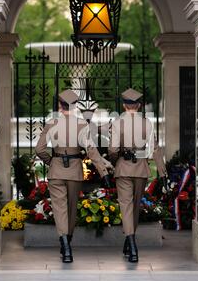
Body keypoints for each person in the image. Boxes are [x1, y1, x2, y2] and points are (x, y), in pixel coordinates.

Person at [35, 90, 111, 263]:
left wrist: (51, 162)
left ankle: (66, 247)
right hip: (75, 171)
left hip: (56, 171)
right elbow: (91, 150)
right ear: (75, 106)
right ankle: (67, 242)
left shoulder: (51, 123)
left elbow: (39, 150)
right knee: (71, 209)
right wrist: (103, 172)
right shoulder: (82, 125)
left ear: (59, 106)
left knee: (60, 209)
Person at [108, 88, 167, 263]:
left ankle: (131, 246)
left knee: (126, 206)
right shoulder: (146, 123)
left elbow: (112, 149)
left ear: (124, 105)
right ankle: (130, 244)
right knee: (134, 207)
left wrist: (114, 160)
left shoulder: (118, 123)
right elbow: (155, 149)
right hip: (141, 169)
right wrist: (162, 171)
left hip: (124, 169)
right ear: (139, 105)